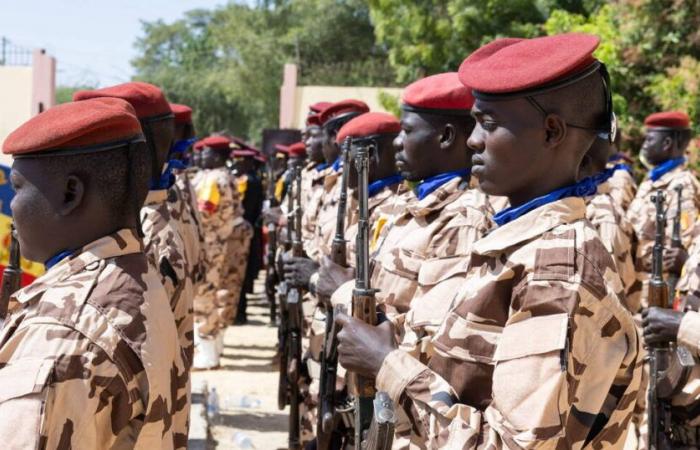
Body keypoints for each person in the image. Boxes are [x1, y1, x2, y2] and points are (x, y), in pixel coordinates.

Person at [336, 33, 642, 448]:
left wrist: (387, 364)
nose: (474, 139)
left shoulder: (559, 271)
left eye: (490, 123)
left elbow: (506, 445)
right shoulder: (516, 243)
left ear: (551, 131)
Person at [0, 98, 185, 448]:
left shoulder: (62, 331)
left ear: (70, 193)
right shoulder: (134, 273)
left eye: (19, 186)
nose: (11, 204)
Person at [627, 111, 700, 308]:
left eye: (649, 140)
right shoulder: (653, 180)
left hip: (655, 297)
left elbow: (679, 249)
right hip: (635, 291)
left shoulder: (680, 184)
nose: (644, 146)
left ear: (667, 143)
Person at [191, 135, 243, 368]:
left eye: (206, 152)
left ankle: (208, 353)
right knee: (218, 292)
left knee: (204, 295)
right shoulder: (224, 176)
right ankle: (213, 347)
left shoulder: (214, 179)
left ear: (216, 156)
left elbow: (204, 212)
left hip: (210, 243)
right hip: (219, 241)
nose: (201, 156)